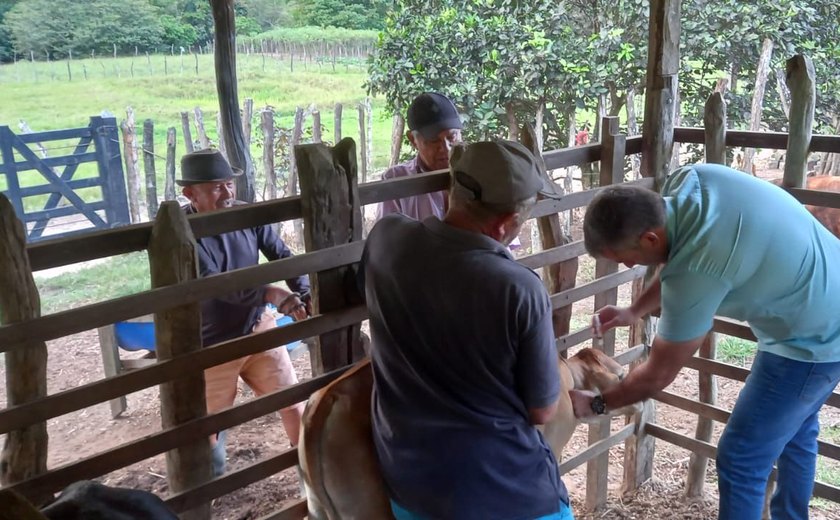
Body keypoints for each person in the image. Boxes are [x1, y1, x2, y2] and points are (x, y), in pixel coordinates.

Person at [572, 163, 840, 520]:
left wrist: (599, 404)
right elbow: (678, 252)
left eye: (626, 259)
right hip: (822, 306)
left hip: (813, 343)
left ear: (650, 238)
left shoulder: (696, 272)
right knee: (795, 433)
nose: (627, 267)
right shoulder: (693, 181)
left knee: (741, 456)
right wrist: (634, 310)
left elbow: (657, 375)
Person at [362, 140, 574, 520]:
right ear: (506, 224)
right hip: (502, 491)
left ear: (452, 189)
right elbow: (543, 409)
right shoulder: (518, 288)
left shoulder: (386, 238)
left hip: (410, 484)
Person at [177, 148, 310, 476]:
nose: (227, 193)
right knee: (206, 428)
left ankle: (311, 474)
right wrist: (271, 292)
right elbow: (213, 284)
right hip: (211, 344)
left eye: (229, 185)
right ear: (190, 193)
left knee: (293, 402)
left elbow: (281, 254)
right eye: (216, 187)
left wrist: (306, 291)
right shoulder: (180, 233)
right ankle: (205, 491)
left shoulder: (246, 215)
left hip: (256, 327)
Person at [376, 92, 463, 221]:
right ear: (413, 139)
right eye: (434, 140)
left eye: (452, 137)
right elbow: (389, 239)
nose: (446, 148)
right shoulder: (396, 180)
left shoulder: (479, 172)